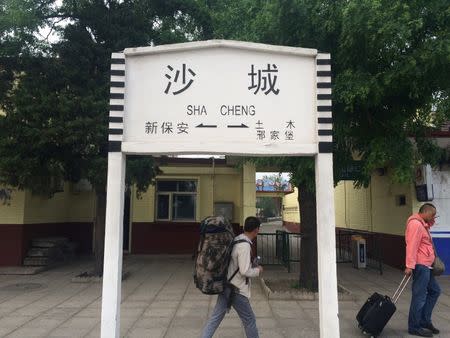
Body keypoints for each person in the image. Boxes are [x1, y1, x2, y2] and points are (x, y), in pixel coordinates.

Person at [201, 216, 263, 338]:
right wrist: (258, 270)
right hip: (236, 290)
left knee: (215, 318)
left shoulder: (237, 239)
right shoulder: (244, 246)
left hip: (226, 285)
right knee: (249, 320)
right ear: (256, 230)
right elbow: (244, 271)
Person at [405, 203, 441, 337]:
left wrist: (429, 223)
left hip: (427, 265)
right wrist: (409, 265)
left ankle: (424, 320)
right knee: (419, 297)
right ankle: (414, 326)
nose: (433, 218)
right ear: (425, 212)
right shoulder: (415, 224)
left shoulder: (422, 225)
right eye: (432, 215)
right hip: (420, 265)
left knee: (435, 291)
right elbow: (412, 245)